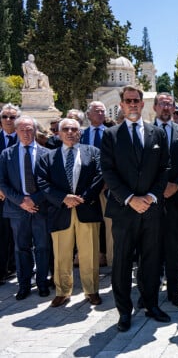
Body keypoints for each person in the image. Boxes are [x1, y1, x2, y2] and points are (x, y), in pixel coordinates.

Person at [100, 85, 171, 332]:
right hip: (123, 210)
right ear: (121, 105)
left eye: (136, 100)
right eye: (127, 101)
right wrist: (130, 198)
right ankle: (124, 311)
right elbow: (107, 171)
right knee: (121, 263)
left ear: (142, 104)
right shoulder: (110, 135)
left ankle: (151, 304)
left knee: (150, 261)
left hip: (151, 210)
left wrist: (151, 197)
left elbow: (165, 169)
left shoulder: (157, 134)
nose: (132, 104)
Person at [36, 118, 104, 307]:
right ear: (58, 132)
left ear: (80, 132)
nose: (70, 132)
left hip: (87, 208)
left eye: (74, 129)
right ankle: (62, 291)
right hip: (60, 211)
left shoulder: (93, 152)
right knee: (61, 253)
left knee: (89, 253)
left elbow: (100, 176)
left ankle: (91, 290)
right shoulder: (48, 157)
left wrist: (82, 197)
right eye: (65, 129)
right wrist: (63, 198)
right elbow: (43, 183)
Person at [0, 115, 50, 300]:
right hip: (16, 209)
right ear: (16, 131)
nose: (26, 133)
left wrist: (34, 200)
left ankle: (43, 283)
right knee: (21, 248)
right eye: (22, 129)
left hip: (40, 208)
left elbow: (50, 183)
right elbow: (2, 183)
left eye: (29, 129)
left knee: (42, 247)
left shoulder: (46, 154)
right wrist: (21, 201)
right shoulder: (7, 154)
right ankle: (24, 284)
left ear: (35, 131)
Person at [152, 93, 178, 307]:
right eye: (162, 104)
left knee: (174, 248)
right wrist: (159, 189)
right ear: (154, 107)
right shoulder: (145, 131)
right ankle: (149, 292)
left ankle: (175, 292)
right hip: (151, 199)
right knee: (150, 248)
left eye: (170, 105)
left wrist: (176, 184)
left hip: (177, 198)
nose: (166, 108)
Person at [81, 101, 108, 267]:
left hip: (107, 185)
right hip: (87, 187)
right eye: (96, 111)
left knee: (107, 221)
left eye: (102, 111)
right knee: (90, 223)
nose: (100, 114)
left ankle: (106, 255)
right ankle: (92, 255)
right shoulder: (81, 135)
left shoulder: (112, 134)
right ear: (88, 115)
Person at [0, 104, 19, 285]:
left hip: (19, 196)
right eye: (5, 116)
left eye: (12, 117)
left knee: (17, 234)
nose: (8, 120)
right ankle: (2, 269)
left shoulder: (25, 138)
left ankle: (14, 266)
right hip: (0, 196)